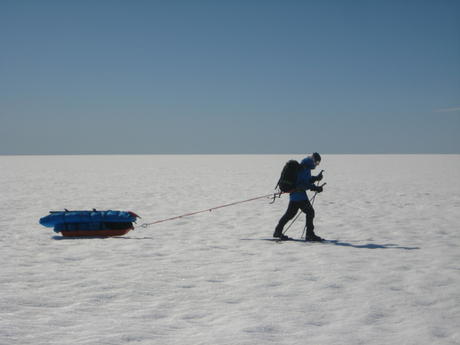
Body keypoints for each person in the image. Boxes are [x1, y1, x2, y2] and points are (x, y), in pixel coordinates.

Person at [273, 152, 324, 241]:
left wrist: (316, 178)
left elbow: (307, 180)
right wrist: (315, 188)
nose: (316, 165)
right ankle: (310, 234)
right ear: (312, 160)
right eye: (316, 163)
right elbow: (303, 184)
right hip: (299, 196)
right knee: (310, 212)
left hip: (296, 196)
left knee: (290, 214)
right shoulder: (303, 168)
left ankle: (278, 231)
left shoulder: (306, 167)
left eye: (318, 163)